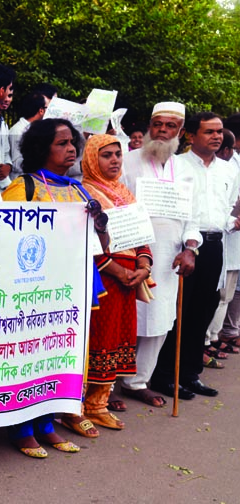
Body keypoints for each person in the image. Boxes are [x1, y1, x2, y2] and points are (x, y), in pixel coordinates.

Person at [2, 118, 108, 452]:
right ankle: (22, 428)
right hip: (36, 289)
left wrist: (101, 222)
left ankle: (47, 423)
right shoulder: (23, 187)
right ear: (41, 147)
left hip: (72, 287)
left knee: (60, 357)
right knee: (32, 357)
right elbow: (7, 238)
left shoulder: (79, 190)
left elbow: (98, 241)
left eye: (72, 142)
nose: (71, 149)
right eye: (61, 143)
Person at [151, 112, 240, 399]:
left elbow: (228, 208)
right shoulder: (175, 165)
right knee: (179, 311)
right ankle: (164, 374)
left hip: (216, 244)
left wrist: (232, 222)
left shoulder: (228, 170)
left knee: (203, 310)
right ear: (191, 135)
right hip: (182, 246)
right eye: (209, 132)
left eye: (219, 132)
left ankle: (190, 373)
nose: (216, 136)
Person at [117, 102, 200, 406]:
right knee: (124, 318)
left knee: (159, 319)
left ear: (180, 132)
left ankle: (137, 382)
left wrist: (191, 247)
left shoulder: (186, 169)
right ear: (150, 125)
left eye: (170, 126)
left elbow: (194, 215)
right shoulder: (125, 161)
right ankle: (106, 384)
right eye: (157, 124)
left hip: (169, 257)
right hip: (128, 251)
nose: (162, 131)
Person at [80, 134, 153, 429]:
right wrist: (118, 271)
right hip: (103, 279)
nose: (114, 160)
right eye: (106, 155)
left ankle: (99, 403)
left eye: (118, 155)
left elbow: (142, 234)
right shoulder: (84, 193)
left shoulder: (124, 192)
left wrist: (144, 265)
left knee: (119, 339)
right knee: (98, 340)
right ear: (91, 159)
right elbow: (87, 242)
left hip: (129, 278)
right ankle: (80, 407)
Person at [202, 128, 240, 365]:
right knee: (215, 297)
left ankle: (211, 340)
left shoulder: (229, 169)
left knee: (223, 297)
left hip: (228, 239)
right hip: (205, 243)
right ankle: (206, 342)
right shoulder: (185, 167)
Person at [9, 92, 50, 177]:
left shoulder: (39, 128)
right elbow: (16, 163)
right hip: (22, 179)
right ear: (41, 110)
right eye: (48, 108)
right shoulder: (18, 130)